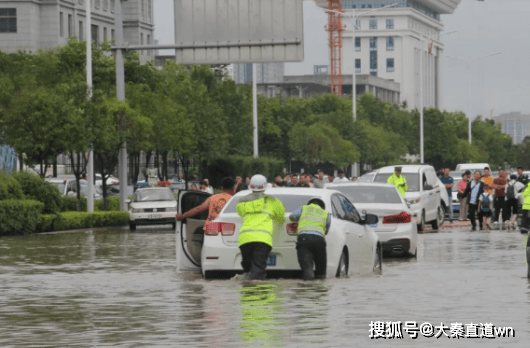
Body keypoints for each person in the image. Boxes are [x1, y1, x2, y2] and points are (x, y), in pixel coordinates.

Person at [236, 174, 285, 280]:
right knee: (258, 269)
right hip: (263, 239)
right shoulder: (273, 201)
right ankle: (257, 293)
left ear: (250, 186)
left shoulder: (242, 202)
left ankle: (247, 292)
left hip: (245, 239)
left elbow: (240, 213)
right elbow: (281, 218)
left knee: (248, 268)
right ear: (265, 186)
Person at [289, 198, 331, 281]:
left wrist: (299, 219)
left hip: (304, 239)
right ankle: (321, 290)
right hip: (319, 240)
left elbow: (292, 217)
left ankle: (308, 289)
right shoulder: (326, 213)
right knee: (321, 271)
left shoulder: (303, 208)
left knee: (307, 268)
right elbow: (326, 230)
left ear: (309, 204)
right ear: (322, 207)